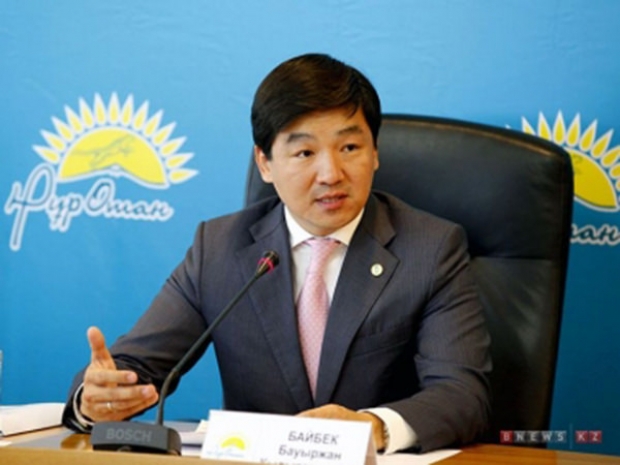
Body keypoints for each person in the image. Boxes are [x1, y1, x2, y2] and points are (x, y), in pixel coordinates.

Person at [63, 53, 491, 453]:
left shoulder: (430, 249)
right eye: (305, 152)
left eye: (349, 148)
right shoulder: (220, 248)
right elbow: (133, 369)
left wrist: (372, 427)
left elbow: (462, 394)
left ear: (375, 152)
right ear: (265, 163)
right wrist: (96, 398)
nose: (331, 174)